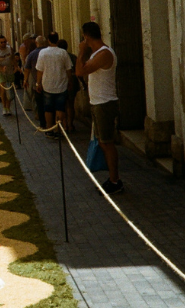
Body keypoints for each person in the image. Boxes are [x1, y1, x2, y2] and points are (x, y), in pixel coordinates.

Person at [76, 21, 122, 194]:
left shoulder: (103, 54)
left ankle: (115, 180)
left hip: (105, 103)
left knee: (106, 142)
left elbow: (79, 72)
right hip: (97, 102)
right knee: (102, 142)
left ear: (86, 37)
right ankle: (111, 177)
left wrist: (81, 52)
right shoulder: (96, 53)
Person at [35, 31, 72, 139]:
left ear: (48, 40)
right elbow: (68, 69)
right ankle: (57, 130)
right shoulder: (63, 53)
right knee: (60, 108)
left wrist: (38, 83)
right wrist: (70, 81)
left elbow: (39, 70)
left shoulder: (43, 53)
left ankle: (49, 129)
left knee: (48, 108)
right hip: (61, 84)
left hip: (48, 84)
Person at [23, 36, 48, 128]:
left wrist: (25, 80)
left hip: (37, 83)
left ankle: (43, 123)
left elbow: (27, 69)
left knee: (40, 104)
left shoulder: (32, 54)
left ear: (37, 43)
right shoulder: (48, 52)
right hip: (50, 83)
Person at [58, 40, 80, 132]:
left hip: (61, 81)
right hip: (73, 80)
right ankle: (70, 125)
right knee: (70, 104)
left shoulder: (57, 57)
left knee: (62, 105)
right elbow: (78, 70)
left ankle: (65, 125)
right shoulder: (72, 57)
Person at [0, 36, 15, 116]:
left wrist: (15, 67)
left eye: (5, 42)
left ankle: (8, 107)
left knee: (10, 89)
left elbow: (13, 59)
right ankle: (4, 107)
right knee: (3, 90)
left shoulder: (9, 49)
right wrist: (2, 68)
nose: (3, 43)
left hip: (10, 71)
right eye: (1, 42)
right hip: (1, 72)